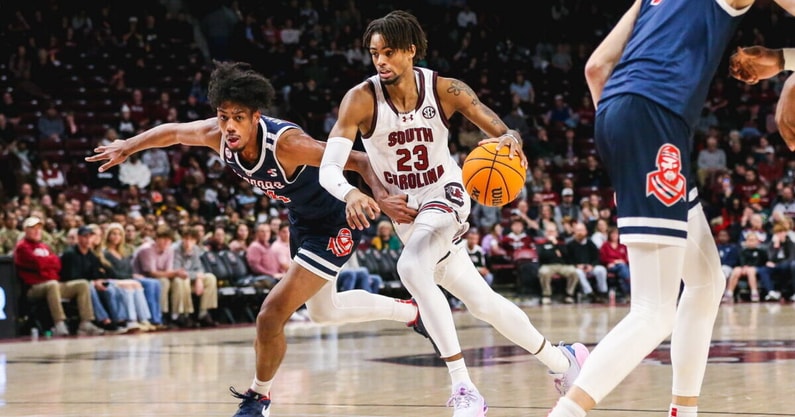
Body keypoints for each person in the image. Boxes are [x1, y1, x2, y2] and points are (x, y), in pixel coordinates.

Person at [87, 60, 422, 417]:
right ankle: (410, 311)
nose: (229, 126)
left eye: (238, 118)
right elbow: (172, 132)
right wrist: (128, 145)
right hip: (302, 222)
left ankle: (258, 398)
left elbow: (357, 159)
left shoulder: (288, 144)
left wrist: (373, 197)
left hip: (336, 220)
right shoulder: (218, 136)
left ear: (256, 116)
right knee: (325, 312)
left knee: (269, 316)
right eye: (223, 116)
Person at [318, 10, 588, 417]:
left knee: (410, 268)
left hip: (447, 193)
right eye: (375, 54)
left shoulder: (445, 89)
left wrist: (511, 141)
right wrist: (353, 194)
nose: (380, 62)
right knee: (485, 304)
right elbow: (328, 169)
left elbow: (501, 130)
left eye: (388, 52)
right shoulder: (360, 99)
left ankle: (464, 387)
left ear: (410, 51)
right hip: (408, 215)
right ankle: (564, 362)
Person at [553, 0, 792, 416]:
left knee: (706, 281)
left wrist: (627, 138)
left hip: (620, 117)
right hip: (656, 119)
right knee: (654, 309)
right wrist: (786, 65)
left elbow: (596, 67)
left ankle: (684, 410)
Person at [13, 216, 105, 337]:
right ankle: (59, 323)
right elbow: (37, 264)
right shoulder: (22, 247)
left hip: (52, 283)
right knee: (52, 284)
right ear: (25, 230)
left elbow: (57, 263)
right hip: (33, 288)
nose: (37, 231)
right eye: (33, 228)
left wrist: (45, 263)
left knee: (82, 284)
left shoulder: (44, 247)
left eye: (39, 228)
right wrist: (46, 263)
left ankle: (86, 322)